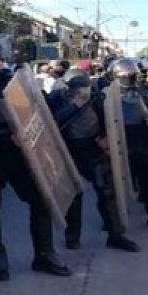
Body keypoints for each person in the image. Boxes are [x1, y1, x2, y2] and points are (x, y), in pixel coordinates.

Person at [0, 39, 71, 282]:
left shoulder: (15, 85)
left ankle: (44, 253)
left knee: (40, 198)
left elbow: (37, 114)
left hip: (20, 153)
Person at [46, 69, 140, 252]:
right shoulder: (56, 99)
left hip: (92, 147)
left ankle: (115, 233)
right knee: (73, 192)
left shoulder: (97, 98)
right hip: (67, 148)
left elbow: (109, 119)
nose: (82, 93)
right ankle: (72, 236)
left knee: (106, 189)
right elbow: (52, 122)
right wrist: (74, 106)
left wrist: (106, 137)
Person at [108, 58, 148, 231]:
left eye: (133, 75)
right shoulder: (106, 96)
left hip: (143, 140)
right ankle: (114, 222)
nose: (130, 79)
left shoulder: (141, 94)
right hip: (121, 142)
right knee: (115, 185)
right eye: (127, 76)